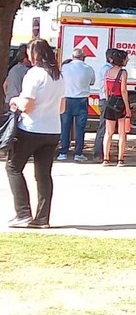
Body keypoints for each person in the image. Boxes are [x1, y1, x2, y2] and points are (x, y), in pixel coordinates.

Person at [6, 39, 65, 228]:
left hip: (31, 128)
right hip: (52, 129)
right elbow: (62, 108)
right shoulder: (58, 76)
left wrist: (15, 100)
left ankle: (22, 213)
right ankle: (42, 218)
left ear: (35, 54)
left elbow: (27, 105)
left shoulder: (34, 74)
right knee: (43, 175)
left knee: (13, 167)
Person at [57, 48, 95, 162]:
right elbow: (92, 82)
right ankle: (78, 153)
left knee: (65, 126)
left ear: (73, 56)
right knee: (80, 128)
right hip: (82, 100)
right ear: (84, 57)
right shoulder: (88, 69)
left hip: (67, 99)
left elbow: (61, 80)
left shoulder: (65, 67)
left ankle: (63, 152)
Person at [101, 49, 131, 166]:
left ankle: (106, 158)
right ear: (122, 60)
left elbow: (105, 89)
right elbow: (123, 90)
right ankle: (120, 159)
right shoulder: (123, 73)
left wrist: (109, 100)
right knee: (122, 133)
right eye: (126, 58)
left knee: (108, 132)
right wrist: (127, 107)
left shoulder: (107, 72)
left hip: (110, 103)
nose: (127, 60)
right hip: (120, 103)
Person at [91, 49, 115, 162]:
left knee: (106, 128)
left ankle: (102, 152)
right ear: (111, 59)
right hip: (106, 100)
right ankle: (98, 153)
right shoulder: (107, 70)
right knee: (104, 127)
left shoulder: (107, 69)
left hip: (106, 100)